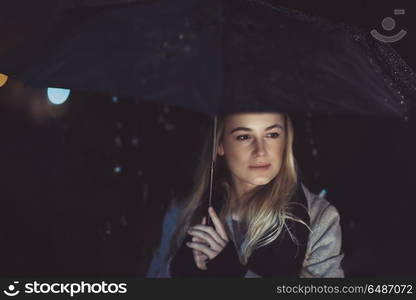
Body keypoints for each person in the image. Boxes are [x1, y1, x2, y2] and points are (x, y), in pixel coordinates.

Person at [146, 112, 344, 277]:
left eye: (272, 135)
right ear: (220, 144)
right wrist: (176, 271)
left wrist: (236, 274)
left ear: (286, 140)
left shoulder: (319, 219)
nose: (260, 151)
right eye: (244, 136)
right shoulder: (185, 209)